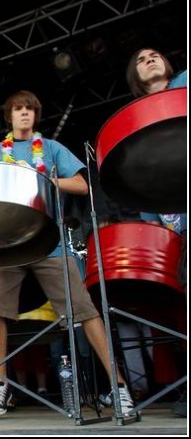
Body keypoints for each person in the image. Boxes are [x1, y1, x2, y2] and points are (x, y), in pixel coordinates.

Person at [0, 90, 135, 417]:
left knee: (85, 309)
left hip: (50, 240)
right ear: (9, 116)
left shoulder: (50, 149)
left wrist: (47, 179)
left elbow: (81, 185)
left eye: (29, 110)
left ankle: (118, 387)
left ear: (35, 116)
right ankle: (0, 385)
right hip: (7, 243)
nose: (24, 114)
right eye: (18, 109)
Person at [128, 47, 187, 418]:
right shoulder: (137, 122)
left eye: (155, 55)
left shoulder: (185, 85)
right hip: (175, 226)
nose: (149, 59)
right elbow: (140, 183)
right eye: (140, 59)